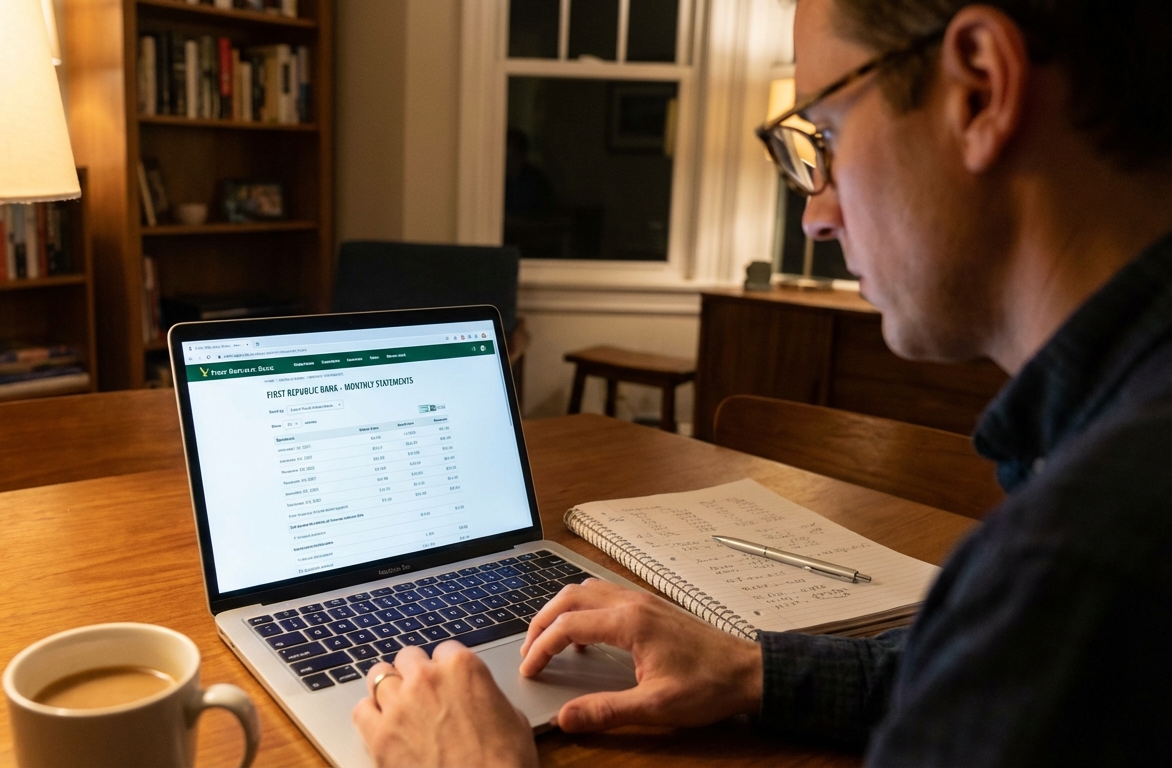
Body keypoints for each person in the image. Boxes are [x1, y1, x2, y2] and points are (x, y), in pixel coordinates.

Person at [351, 0, 1172, 764]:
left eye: (827, 132)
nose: (815, 213)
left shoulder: (1080, 562)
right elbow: (980, 672)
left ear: (981, 89)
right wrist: (753, 671)